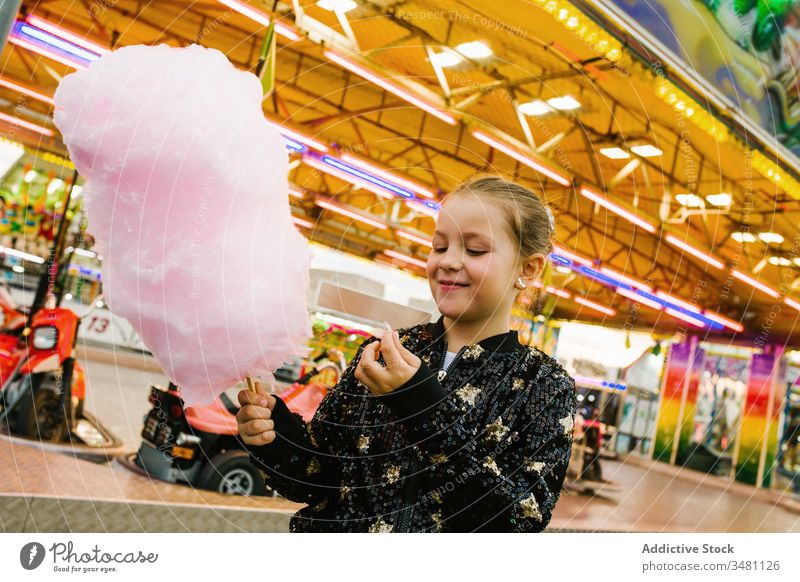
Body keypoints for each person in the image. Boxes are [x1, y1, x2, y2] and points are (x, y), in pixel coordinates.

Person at [237, 175, 577, 532]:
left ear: (528, 269)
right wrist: (277, 437)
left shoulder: (544, 387)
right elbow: (320, 482)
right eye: (439, 246)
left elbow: (518, 522)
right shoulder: (383, 352)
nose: (448, 261)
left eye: (475, 250)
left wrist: (422, 406)